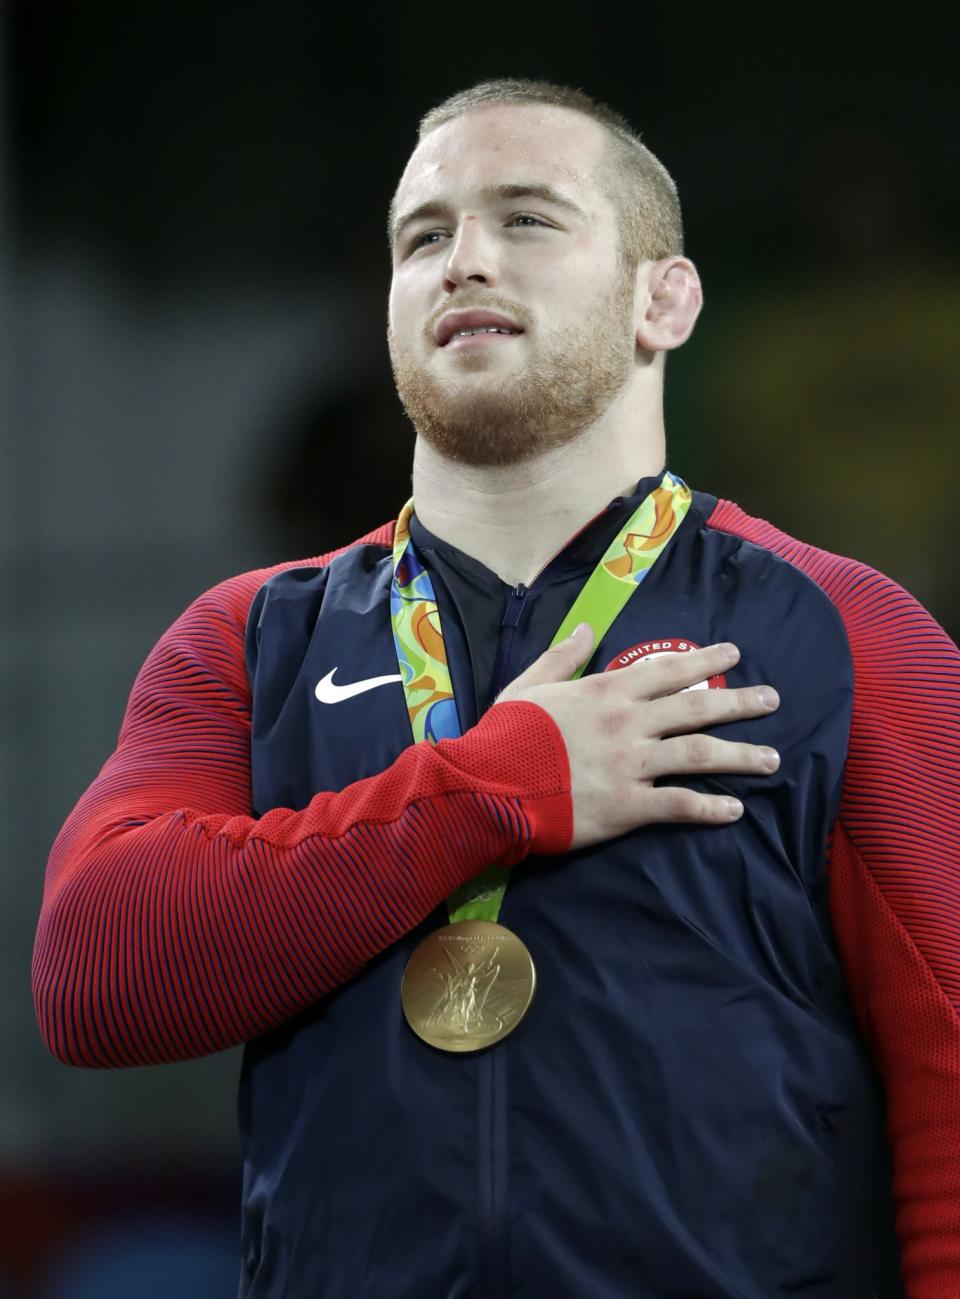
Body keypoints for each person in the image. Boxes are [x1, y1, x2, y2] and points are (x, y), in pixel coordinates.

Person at [32, 78, 959, 1299]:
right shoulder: (247, 637)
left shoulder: (844, 630)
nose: (465, 260)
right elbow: (96, 974)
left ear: (662, 298)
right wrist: (502, 785)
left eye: (527, 219)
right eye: (425, 236)